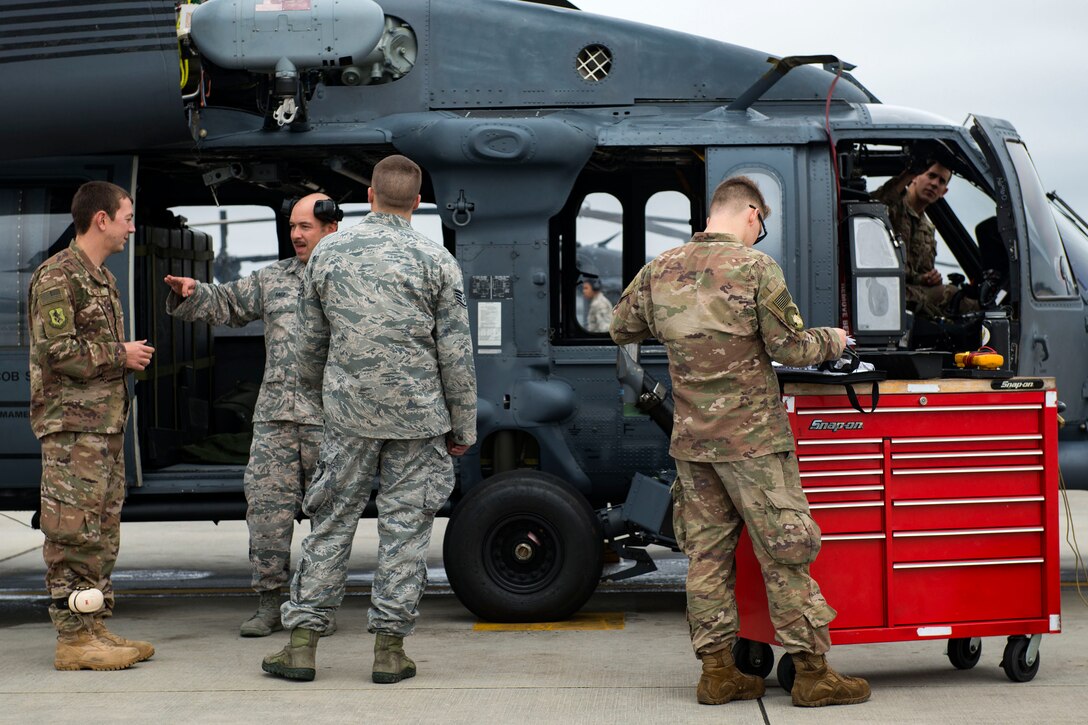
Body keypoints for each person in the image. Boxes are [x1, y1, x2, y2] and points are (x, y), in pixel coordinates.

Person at [610, 176, 870, 708]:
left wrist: (685, 337)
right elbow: (791, 348)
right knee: (786, 552)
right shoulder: (756, 269)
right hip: (753, 445)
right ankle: (814, 674)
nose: (759, 234)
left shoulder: (661, 270)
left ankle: (718, 673)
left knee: (706, 558)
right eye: (761, 225)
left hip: (693, 446)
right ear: (751, 213)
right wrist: (834, 340)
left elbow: (620, 328)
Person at [262, 155, 477, 683]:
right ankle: (388, 652)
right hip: (418, 420)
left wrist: (325, 398)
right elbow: (456, 355)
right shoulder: (436, 259)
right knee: (405, 532)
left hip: (348, 418)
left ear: (371, 198)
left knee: (330, 524)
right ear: (419, 204)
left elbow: (310, 345)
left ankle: (303, 646)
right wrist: (463, 426)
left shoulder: (329, 254)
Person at [163, 194, 339, 637]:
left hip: (332, 422)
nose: (297, 235)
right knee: (266, 515)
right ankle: (269, 603)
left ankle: (318, 606)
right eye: (293, 226)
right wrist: (193, 293)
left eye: (306, 227)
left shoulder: (354, 282)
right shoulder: (274, 278)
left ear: (330, 228)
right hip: (276, 421)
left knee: (330, 518)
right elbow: (227, 302)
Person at [29, 181, 156, 671]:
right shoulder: (58, 277)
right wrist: (119, 354)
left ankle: (93, 625)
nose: (131, 225)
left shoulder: (100, 277)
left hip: (102, 427)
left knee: (100, 533)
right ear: (100, 219)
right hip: (72, 431)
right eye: (126, 216)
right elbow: (58, 355)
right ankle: (73, 640)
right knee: (71, 534)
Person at [873, 160, 979, 319]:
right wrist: (907, 173)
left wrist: (929, 279)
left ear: (944, 192)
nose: (935, 183)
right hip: (880, 292)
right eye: (931, 175)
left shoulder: (928, 230)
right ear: (915, 178)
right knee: (951, 295)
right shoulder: (892, 209)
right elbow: (875, 205)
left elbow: (920, 276)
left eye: (941, 181)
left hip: (909, 298)